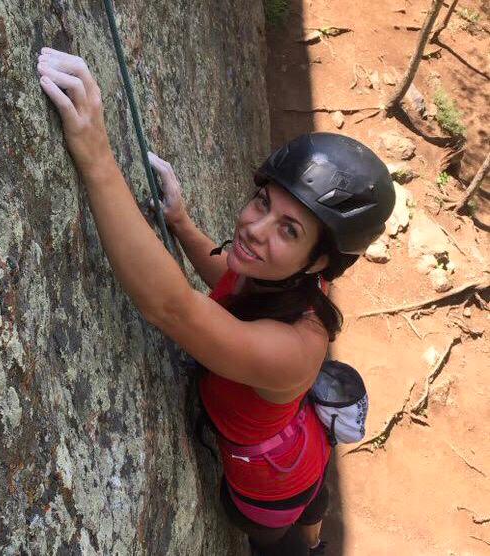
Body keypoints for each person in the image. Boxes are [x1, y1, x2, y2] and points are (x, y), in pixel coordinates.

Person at [36, 47, 395, 555]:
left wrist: (96, 154)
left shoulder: (294, 348)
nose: (253, 228)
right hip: (303, 447)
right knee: (314, 503)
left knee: (274, 543)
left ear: (318, 261)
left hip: (269, 487)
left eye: (287, 230)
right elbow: (231, 277)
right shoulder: (291, 280)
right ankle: (316, 539)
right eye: (262, 203)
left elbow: (174, 308)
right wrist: (180, 223)